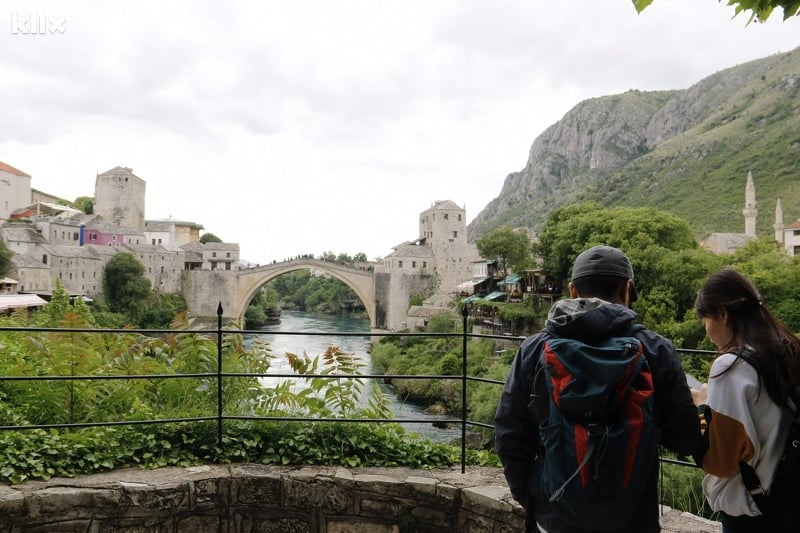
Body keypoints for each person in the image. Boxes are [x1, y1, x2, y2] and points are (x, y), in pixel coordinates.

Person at [494, 245, 702, 533]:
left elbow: (508, 435)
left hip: (555, 519)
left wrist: (536, 500)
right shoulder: (655, 350)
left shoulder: (534, 350)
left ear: (572, 291)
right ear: (628, 289)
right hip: (632, 520)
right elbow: (686, 439)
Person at [691, 268, 800, 532]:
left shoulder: (730, 367)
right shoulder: (786, 348)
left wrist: (702, 408)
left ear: (723, 314)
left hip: (753, 514)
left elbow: (719, 461)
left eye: (705, 321)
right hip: (789, 499)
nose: (706, 332)